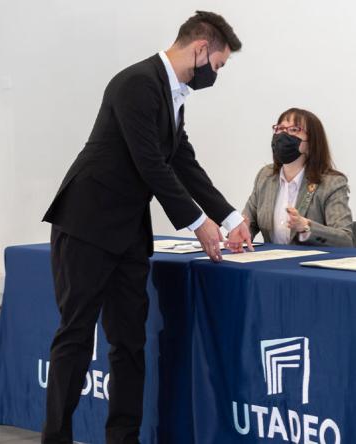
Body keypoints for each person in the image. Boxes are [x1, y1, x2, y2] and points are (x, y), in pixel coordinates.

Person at [40, 11, 253, 443]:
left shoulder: (173, 96)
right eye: (218, 65)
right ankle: (55, 436)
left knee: (129, 342)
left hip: (128, 233)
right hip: (86, 223)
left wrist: (233, 219)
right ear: (200, 49)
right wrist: (199, 223)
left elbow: (183, 162)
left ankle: (124, 437)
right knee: (76, 335)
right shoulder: (136, 82)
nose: (215, 75)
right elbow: (150, 164)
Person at [243, 108, 353, 247]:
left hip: (311, 260)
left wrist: (306, 227)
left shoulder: (331, 183)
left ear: (311, 143)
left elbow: (345, 240)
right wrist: (240, 232)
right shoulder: (266, 176)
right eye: (280, 128)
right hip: (270, 260)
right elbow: (249, 223)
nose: (283, 135)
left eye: (294, 130)